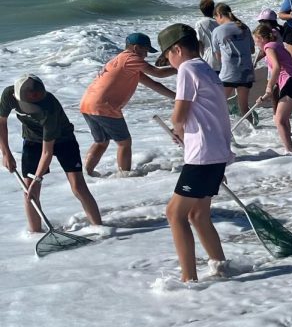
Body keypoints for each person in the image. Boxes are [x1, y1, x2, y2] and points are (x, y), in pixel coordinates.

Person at [156, 24, 233, 283]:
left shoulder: (187, 69)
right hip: (217, 152)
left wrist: (177, 129)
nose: (170, 62)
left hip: (203, 154)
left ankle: (188, 279)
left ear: (176, 49)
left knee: (174, 214)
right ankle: (221, 267)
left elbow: (180, 113)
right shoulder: (207, 69)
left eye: (168, 56)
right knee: (198, 215)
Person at [1, 74, 103, 233]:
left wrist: (38, 178)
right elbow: (1, 123)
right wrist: (6, 153)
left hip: (63, 140)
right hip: (32, 140)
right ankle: (35, 234)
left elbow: (47, 152)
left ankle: (100, 229)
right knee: (29, 191)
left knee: (78, 186)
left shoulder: (50, 108)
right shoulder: (8, 95)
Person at [80, 33, 177, 175]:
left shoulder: (122, 61)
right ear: (136, 48)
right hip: (104, 106)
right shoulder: (131, 58)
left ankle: (87, 174)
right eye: (145, 51)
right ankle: (124, 176)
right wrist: (180, 67)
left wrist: (176, 97)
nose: (145, 55)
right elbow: (158, 73)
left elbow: (154, 84)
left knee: (101, 142)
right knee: (124, 142)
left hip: (87, 104)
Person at [254, 22, 292, 153]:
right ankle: (290, 148)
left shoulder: (268, 47)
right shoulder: (277, 45)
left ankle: (290, 151)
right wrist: (269, 93)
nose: (256, 44)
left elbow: (277, 67)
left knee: (279, 120)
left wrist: (268, 89)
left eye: (256, 40)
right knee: (283, 119)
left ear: (262, 38)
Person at [212, 4, 256, 117]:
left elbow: (218, 56)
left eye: (215, 18)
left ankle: (221, 132)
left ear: (220, 15)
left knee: (218, 105)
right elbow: (252, 50)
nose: (216, 21)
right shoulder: (244, 27)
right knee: (244, 107)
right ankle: (253, 132)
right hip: (246, 73)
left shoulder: (217, 31)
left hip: (229, 73)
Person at [197, 0, 220, 70]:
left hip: (209, 57)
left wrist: (201, 57)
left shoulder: (200, 23)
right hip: (222, 56)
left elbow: (199, 42)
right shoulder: (219, 22)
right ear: (213, 9)